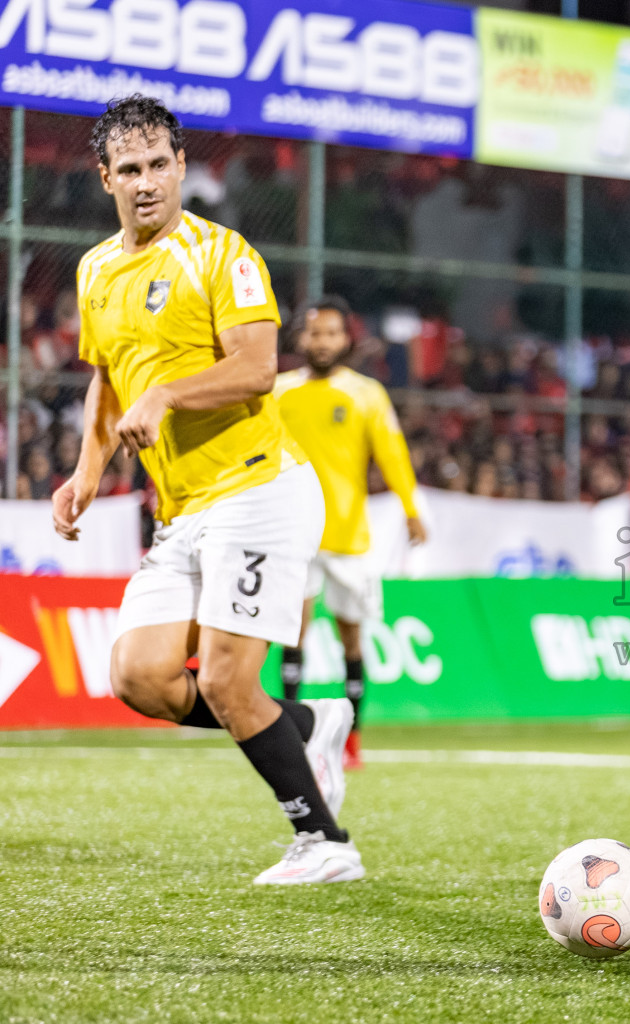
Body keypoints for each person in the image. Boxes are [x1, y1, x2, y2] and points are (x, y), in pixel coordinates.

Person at [50, 95, 362, 885]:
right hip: (181, 510)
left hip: (259, 490)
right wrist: (87, 475)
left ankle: (325, 843)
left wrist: (168, 396)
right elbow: (107, 381)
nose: (146, 182)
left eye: (160, 164)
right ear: (105, 178)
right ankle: (305, 723)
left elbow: (257, 369)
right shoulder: (94, 269)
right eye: (130, 170)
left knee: (225, 677)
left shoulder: (224, 254)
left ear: (183, 166)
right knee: (140, 678)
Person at [274, 296, 427, 768]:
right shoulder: (277, 392)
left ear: (346, 339)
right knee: (292, 634)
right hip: (295, 536)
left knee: (351, 641)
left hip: (349, 539)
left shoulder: (366, 394)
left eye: (331, 332)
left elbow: (392, 452)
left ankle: (352, 742)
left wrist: (409, 506)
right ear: (300, 338)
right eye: (313, 332)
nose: (322, 341)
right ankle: (294, 739)